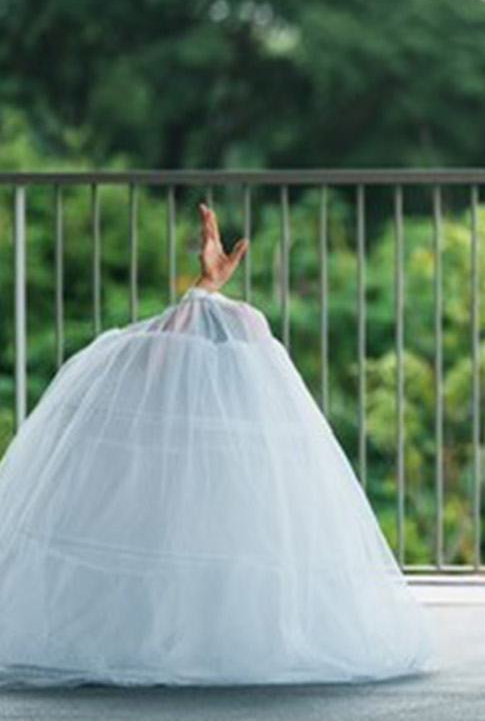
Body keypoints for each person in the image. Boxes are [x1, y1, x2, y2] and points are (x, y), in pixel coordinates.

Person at [0, 204, 430, 686]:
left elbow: (158, 353)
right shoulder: (166, 424)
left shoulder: (227, 454)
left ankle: (208, 308)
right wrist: (200, 297)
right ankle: (208, 308)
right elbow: (161, 354)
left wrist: (201, 296)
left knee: (235, 326)